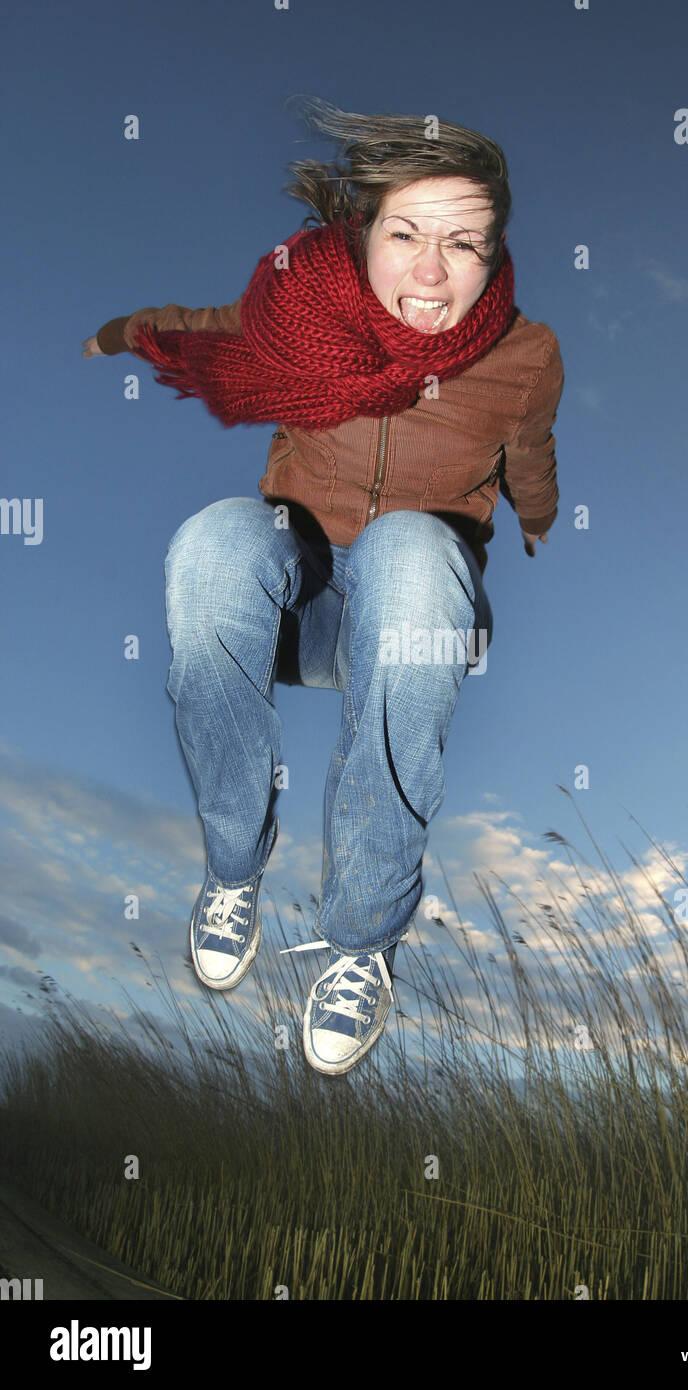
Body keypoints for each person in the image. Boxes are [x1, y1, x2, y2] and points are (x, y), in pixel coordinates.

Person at [82, 97, 564, 1077]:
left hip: (410, 624)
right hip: (287, 609)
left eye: (462, 244)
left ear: (494, 251)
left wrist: (536, 517)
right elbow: (207, 327)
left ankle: (358, 944)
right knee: (217, 537)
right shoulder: (298, 315)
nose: (431, 274)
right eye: (405, 235)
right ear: (363, 231)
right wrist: (126, 331)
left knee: (409, 548)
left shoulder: (523, 356)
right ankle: (231, 869)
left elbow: (531, 449)